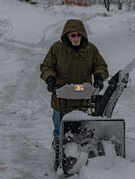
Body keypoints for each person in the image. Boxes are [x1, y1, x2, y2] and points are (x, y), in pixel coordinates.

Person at [40, 19, 109, 169]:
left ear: (83, 35)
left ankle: (83, 154)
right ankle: (59, 151)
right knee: (60, 129)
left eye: (79, 35)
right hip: (62, 99)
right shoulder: (57, 49)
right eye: (73, 35)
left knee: (83, 129)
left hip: (83, 100)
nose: (76, 38)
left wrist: (99, 77)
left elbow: (101, 66)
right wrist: (50, 79)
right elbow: (46, 66)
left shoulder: (91, 50)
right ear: (67, 36)